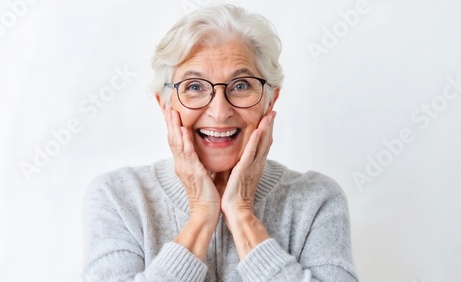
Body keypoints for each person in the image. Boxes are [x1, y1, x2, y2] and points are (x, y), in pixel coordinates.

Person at [82, 5, 357, 282]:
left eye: (240, 85)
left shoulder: (317, 199)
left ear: (270, 99)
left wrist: (242, 216)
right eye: (194, 87)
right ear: (164, 104)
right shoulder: (117, 197)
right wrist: (201, 217)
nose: (219, 111)